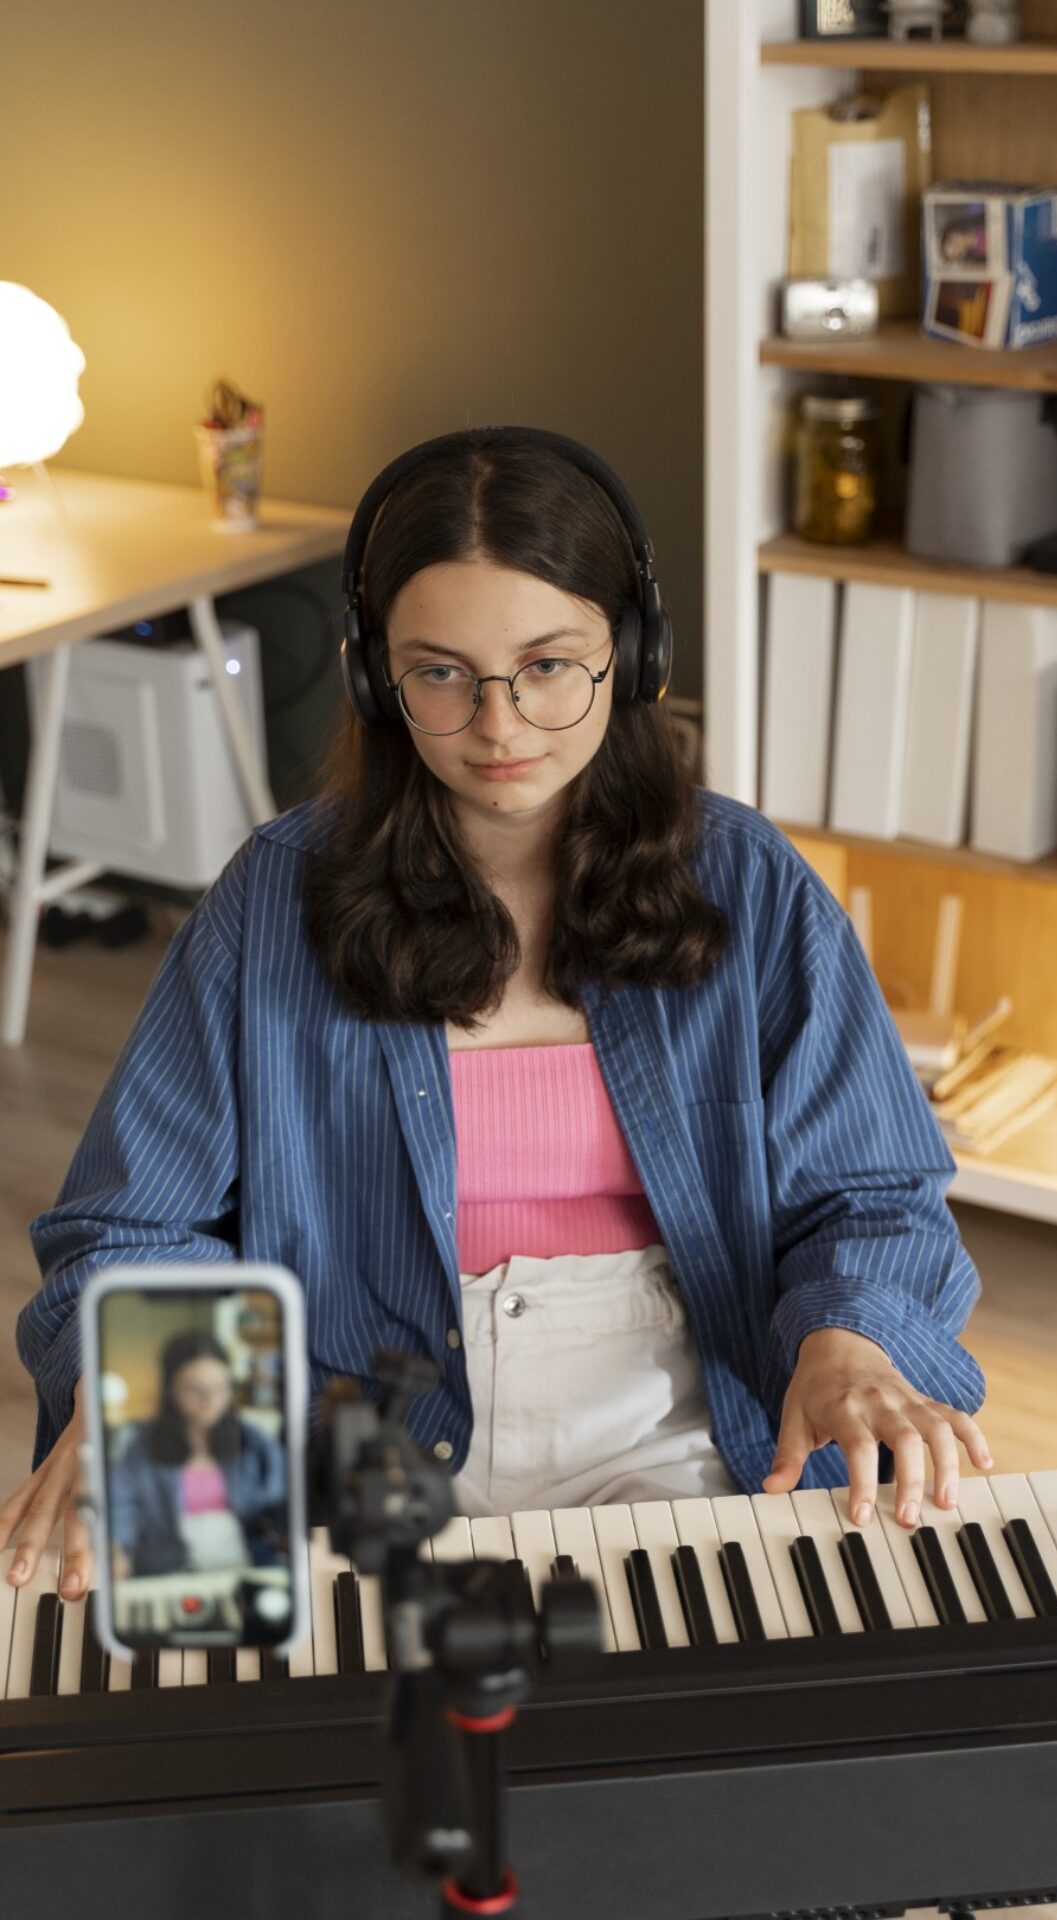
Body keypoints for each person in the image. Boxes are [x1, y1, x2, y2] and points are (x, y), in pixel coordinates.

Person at [1, 425, 991, 1605]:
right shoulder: (274, 897)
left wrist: (850, 1337)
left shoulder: (750, 882)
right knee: (246, 1710)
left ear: (632, 652)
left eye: (548, 665)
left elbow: (871, 1191)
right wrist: (142, 1404)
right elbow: (129, 1224)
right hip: (347, 1407)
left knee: (684, 1740)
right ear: (377, 677)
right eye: (440, 672)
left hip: (666, 1404)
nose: (499, 723)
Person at [107, 1330, 287, 1581]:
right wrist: (117, 1551)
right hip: (166, 1570)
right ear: (171, 1389)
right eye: (194, 1390)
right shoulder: (143, 1445)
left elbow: (280, 1498)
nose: (209, 1400)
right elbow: (119, 1502)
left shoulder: (252, 1441)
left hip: (245, 1565)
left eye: (219, 1388)